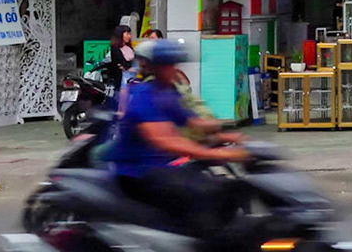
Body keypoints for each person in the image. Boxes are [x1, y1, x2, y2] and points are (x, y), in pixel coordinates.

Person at [103, 37, 247, 239]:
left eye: (174, 64)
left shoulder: (168, 93)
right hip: (138, 174)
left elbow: (193, 123)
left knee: (223, 187)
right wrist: (218, 153)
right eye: (167, 65)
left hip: (161, 168)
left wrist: (231, 135)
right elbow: (166, 141)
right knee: (203, 195)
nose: (173, 69)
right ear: (154, 67)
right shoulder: (145, 94)